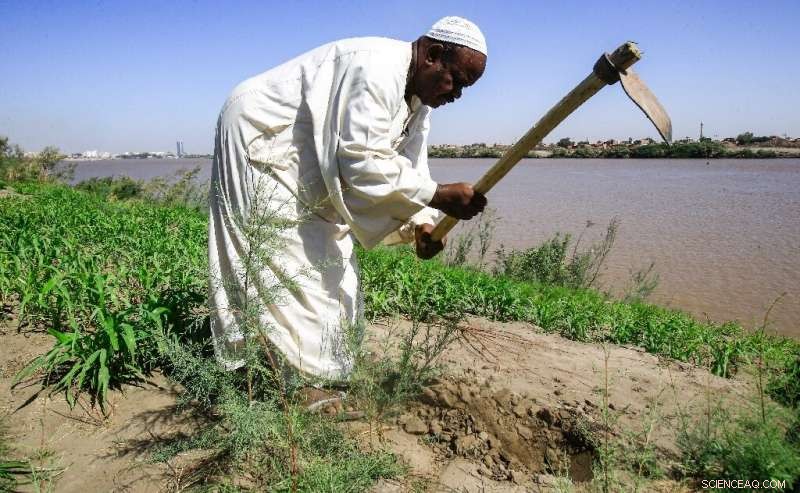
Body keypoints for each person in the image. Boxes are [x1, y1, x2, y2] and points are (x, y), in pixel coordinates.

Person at [208, 16, 488, 382]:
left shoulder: (420, 102)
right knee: (284, 250)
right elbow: (361, 161)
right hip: (259, 132)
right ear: (433, 55)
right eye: (457, 82)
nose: (456, 95)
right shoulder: (375, 68)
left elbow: (409, 165)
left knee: (329, 257)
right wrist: (438, 196)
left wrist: (421, 224)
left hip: (307, 151)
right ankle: (291, 378)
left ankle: (306, 367)